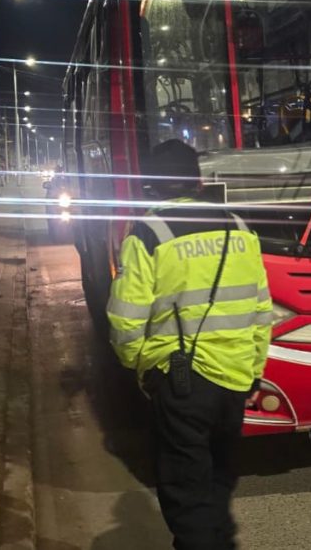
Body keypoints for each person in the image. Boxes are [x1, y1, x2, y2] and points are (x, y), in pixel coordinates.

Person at [107, 139, 273, 550]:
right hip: (236, 377)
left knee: (186, 487)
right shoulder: (239, 227)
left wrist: (140, 367)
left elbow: (126, 318)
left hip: (182, 380)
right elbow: (260, 308)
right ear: (198, 180)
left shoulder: (149, 232)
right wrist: (254, 370)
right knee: (218, 478)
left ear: (151, 185)